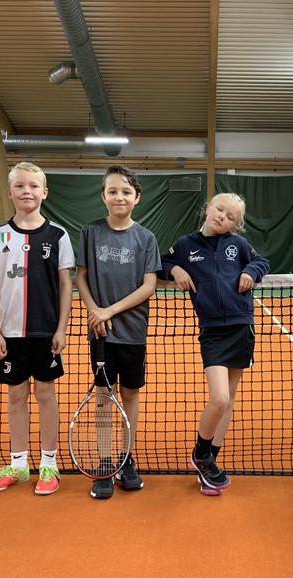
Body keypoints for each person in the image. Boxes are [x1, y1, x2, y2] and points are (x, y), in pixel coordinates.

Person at [161, 193, 270, 495]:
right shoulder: (185, 244)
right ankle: (200, 454)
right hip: (212, 330)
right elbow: (163, 261)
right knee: (219, 398)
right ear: (208, 208)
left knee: (229, 400)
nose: (223, 216)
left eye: (231, 216)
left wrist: (250, 271)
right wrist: (175, 269)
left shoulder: (238, 244)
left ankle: (209, 463)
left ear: (236, 224)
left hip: (241, 326)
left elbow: (262, 261)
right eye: (220, 209)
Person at [0, 162, 74, 495]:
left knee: (46, 395)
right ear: (9, 192)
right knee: (16, 395)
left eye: (33, 186)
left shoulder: (58, 235)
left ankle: (49, 464)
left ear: (44, 192)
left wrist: (61, 329)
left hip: (45, 333)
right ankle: (18, 465)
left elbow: (66, 285)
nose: (27, 191)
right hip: (10, 334)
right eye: (20, 186)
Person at [75, 166, 161, 500]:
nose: (119, 197)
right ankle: (104, 462)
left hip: (133, 333)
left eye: (126, 191)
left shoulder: (146, 238)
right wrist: (94, 311)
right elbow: (81, 277)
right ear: (103, 196)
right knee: (103, 397)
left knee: (130, 395)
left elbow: (149, 285)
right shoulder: (90, 231)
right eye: (112, 191)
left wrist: (108, 311)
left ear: (137, 197)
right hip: (100, 334)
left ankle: (126, 458)